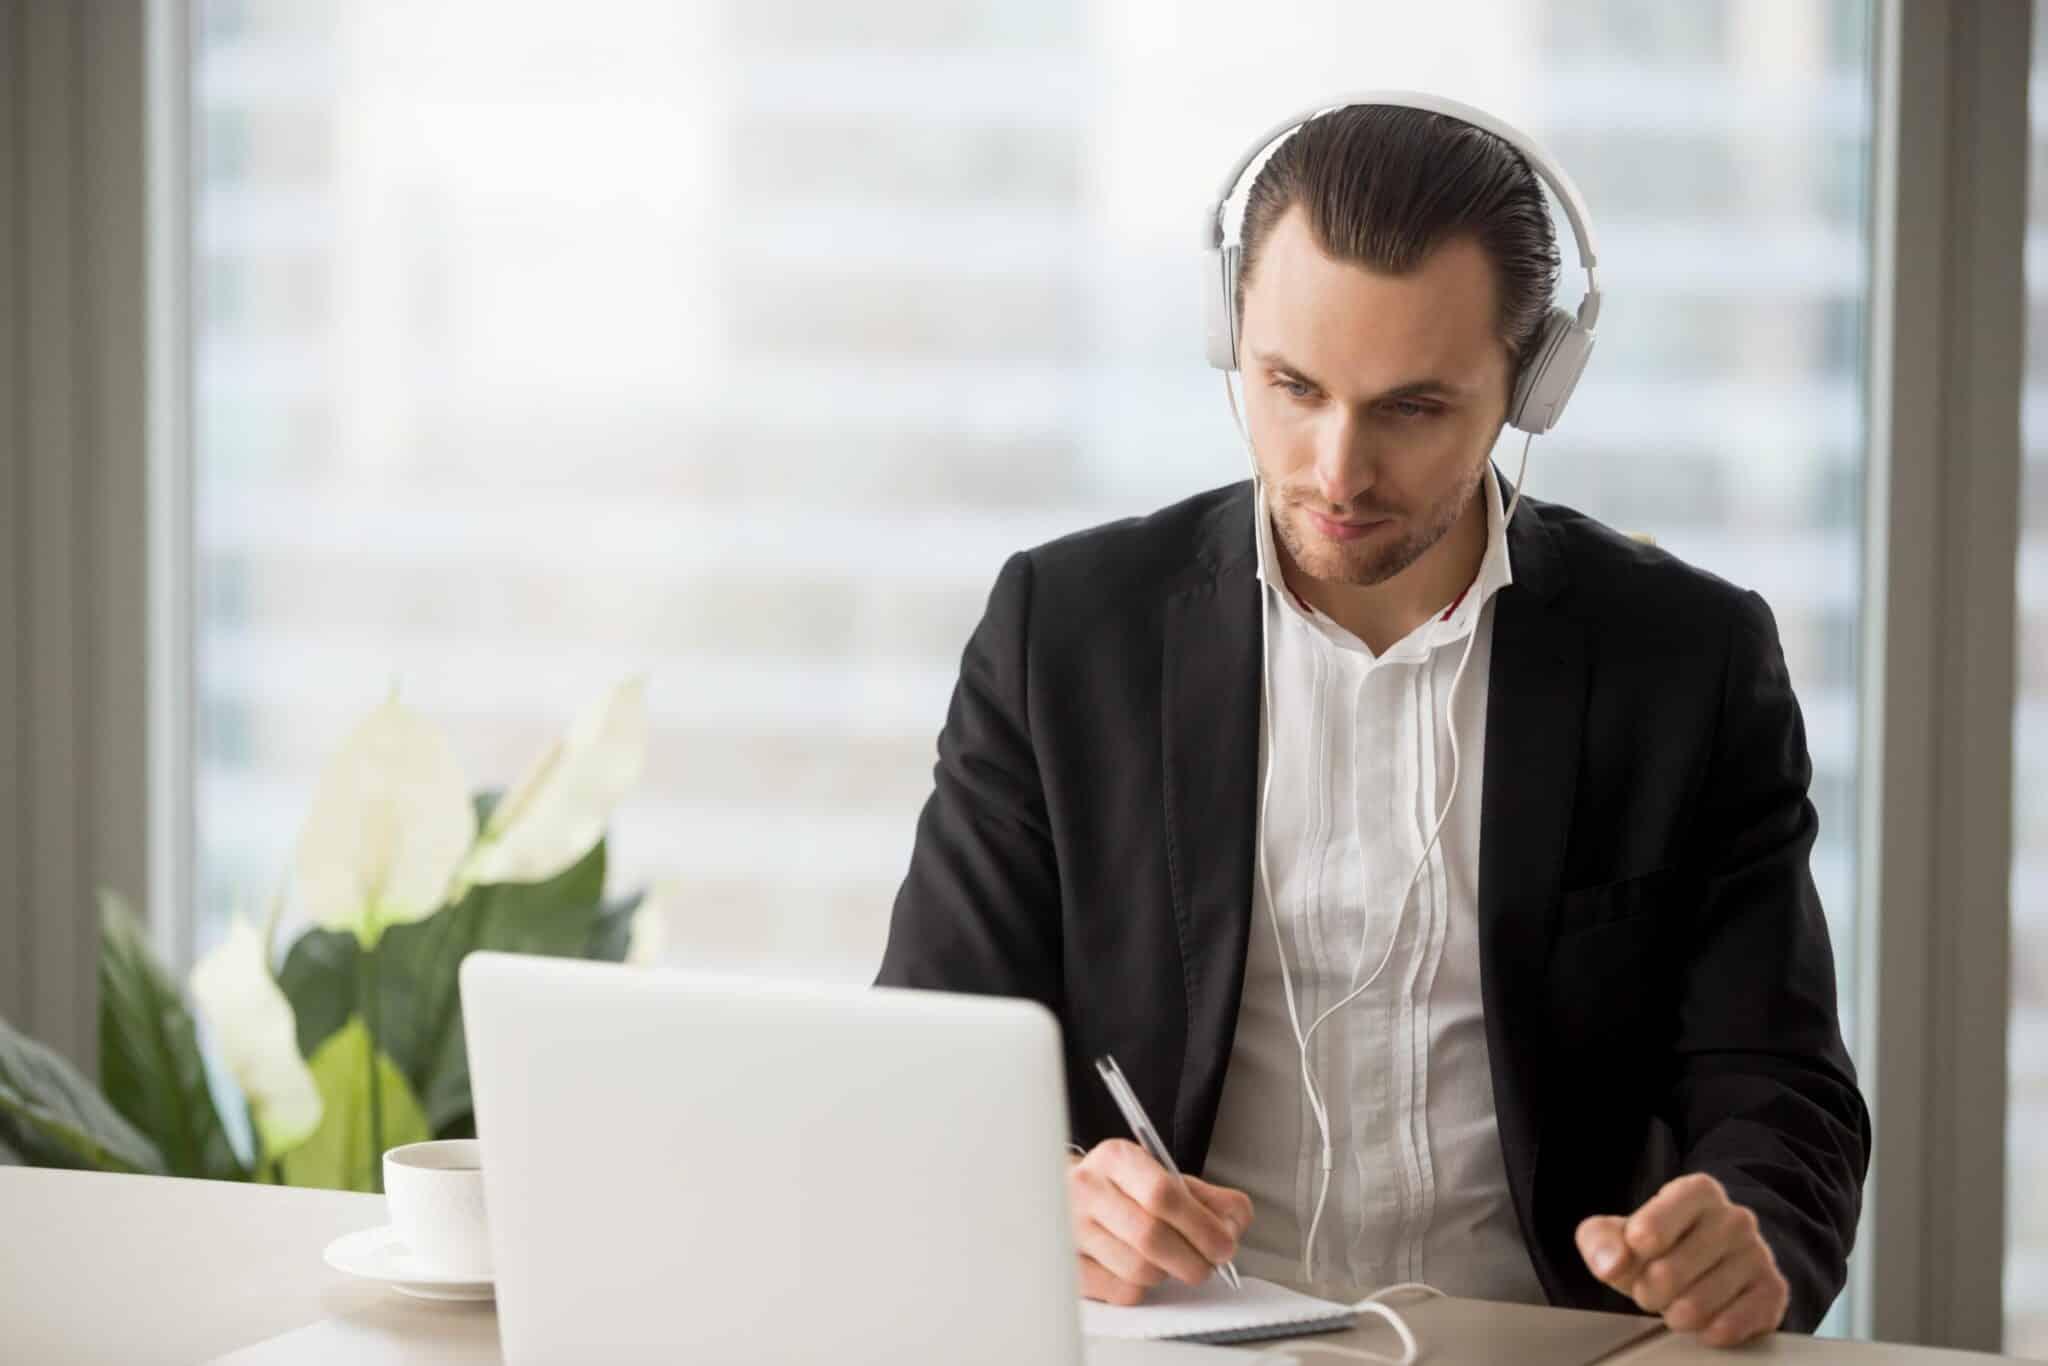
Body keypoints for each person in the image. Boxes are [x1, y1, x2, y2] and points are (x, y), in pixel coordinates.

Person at [875, 97, 1869, 1351]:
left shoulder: (1686, 662)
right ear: (1225, 335)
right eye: (1289, 386)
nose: (1335, 470)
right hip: (1170, 1341)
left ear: (1533, 388)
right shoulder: (1062, 632)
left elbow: (1780, 1090)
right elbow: (924, 1064)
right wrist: (1053, 1194)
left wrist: (1745, 1233)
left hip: (1543, 1344)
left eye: (1410, 409)